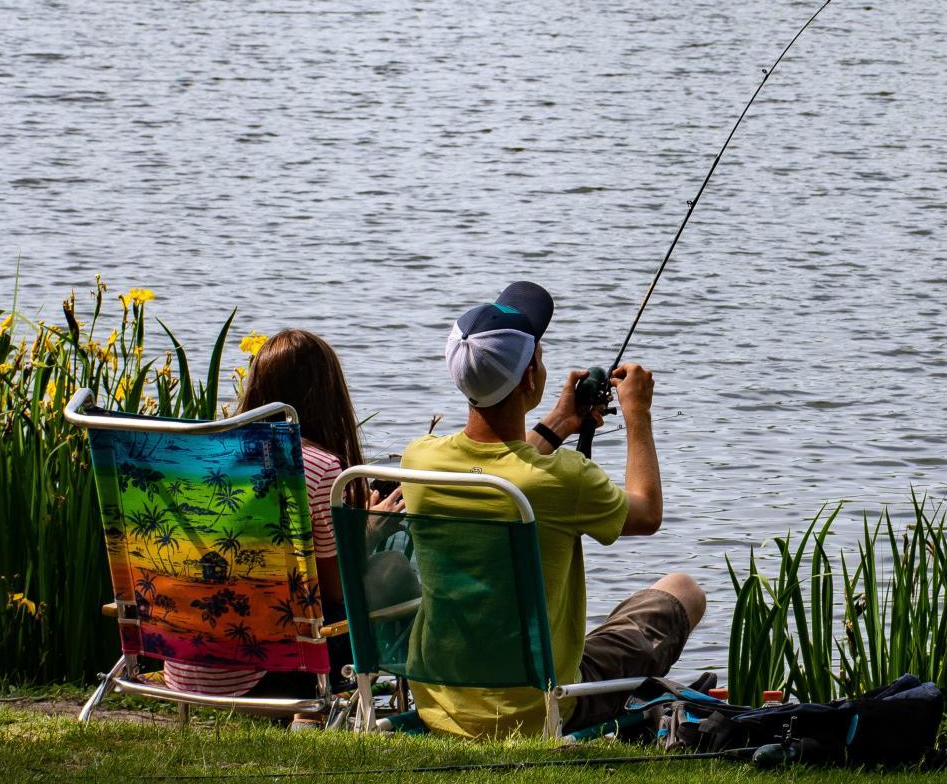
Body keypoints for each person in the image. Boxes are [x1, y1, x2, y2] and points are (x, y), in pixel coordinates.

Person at [399, 280, 706, 738]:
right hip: (536, 706)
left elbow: (506, 471)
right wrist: (638, 413)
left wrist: (560, 422)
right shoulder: (564, 478)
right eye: (539, 354)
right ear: (529, 380)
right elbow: (646, 513)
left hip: (442, 701)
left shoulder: (420, 461)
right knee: (682, 590)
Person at [164, 328, 403, 707]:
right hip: (268, 674)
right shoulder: (319, 467)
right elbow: (335, 591)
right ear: (329, 396)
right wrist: (370, 534)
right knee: (390, 569)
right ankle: (415, 693)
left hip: (186, 663)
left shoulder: (208, 458)